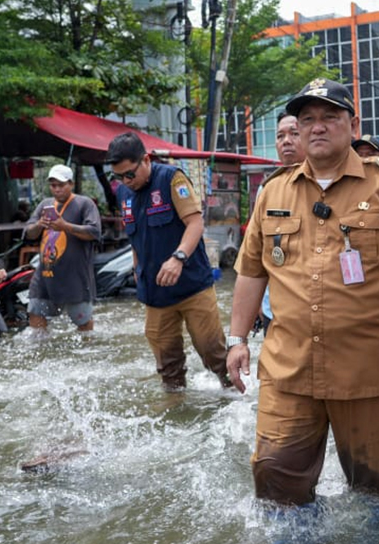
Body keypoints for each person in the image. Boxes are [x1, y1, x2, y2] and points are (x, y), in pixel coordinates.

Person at [226, 78, 379, 506]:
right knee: (275, 480)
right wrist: (237, 339)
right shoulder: (274, 190)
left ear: (353, 124)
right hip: (288, 367)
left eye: (330, 116)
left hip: (368, 369)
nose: (317, 127)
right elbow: (251, 271)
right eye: (306, 119)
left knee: (376, 489)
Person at [106, 132, 238, 392]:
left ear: (145, 159)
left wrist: (178, 258)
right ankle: (176, 408)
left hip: (192, 286)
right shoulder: (124, 193)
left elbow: (195, 222)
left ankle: (234, 394)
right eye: (118, 176)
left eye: (129, 174)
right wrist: (137, 270)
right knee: (167, 363)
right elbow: (136, 237)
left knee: (212, 352)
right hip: (155, 292)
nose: (125, 181)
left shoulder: (171, 178)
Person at [23, 165, 101, 332]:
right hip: (46, 274)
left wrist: (65, 226)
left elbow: (94, 232)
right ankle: (42, 353)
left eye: (61, 185)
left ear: (71, 184)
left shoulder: (84, 204)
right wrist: (39, 225)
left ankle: (86, 352)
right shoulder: (45, 205)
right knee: (35, 313)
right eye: (53, 185)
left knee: (84, 323)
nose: (57, 189)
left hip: (74, 276)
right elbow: (28, 233)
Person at [258, 111, 308, 336]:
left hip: (318, 308)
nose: (286, 141)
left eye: (294, 134)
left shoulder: (329, 182)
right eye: (280, 136)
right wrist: (256, 301)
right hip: (275, 308)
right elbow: (257, 249)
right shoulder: (267, 188)